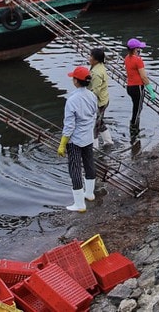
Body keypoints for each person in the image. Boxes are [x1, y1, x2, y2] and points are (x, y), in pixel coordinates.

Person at [59, 66, 98, 212]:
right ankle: (90, 194)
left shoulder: (72, 100)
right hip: (88, 137)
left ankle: (79, 204)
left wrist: (62, 144)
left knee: (75, 169)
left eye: (73, 77)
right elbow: (94, 114)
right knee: (89, 164)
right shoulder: (92, 96)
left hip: (75, 141)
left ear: (76, 81)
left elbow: (69, 126)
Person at [124, 37, 155, 139]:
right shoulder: (138, 60)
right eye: (138, 48)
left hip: (129, 87)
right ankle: (134, 131)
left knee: (135, 107)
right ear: (135, 49)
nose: (140, 50)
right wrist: (150, 90)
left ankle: (134, 128)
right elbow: (143, 77)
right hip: (137, 87)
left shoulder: (127, 58)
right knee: (138, 109)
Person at [89, 48, 112, 147]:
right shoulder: (99, 67)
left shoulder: (96, 73)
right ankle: (108, 142)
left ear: (96, 59)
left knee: (94, 126)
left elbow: (95, 91)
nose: (89, 58)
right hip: (104, 100)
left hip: (99, 103)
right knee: (100, 122)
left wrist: (88, 103)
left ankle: (94, 148)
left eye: (91, 56)